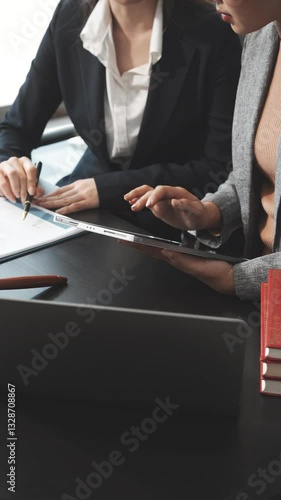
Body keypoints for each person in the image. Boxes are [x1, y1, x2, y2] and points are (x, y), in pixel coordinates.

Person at [0, 0, 241, 236]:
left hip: (172, 216)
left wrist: (108, 189)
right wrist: (9, 163)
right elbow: (16, 127)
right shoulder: (70, 14)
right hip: (84, 200)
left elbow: (218, 166)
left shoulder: (213, 30)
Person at [124, 0, 281, 300]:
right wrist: (210, 212)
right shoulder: (261, 39)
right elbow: (256, 172)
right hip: (257, 290)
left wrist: (237, 280)